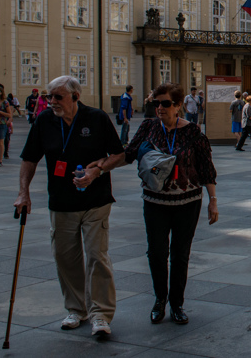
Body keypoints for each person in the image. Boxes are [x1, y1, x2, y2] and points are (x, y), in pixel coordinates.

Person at [90, 83, 218, 326]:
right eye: (156, 103)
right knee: (157, 252)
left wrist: (213, 201)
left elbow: (206, 169)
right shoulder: (148, 127)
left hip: (187, 202)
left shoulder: (193, 132)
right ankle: (160, 299)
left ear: (178, 105)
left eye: (166, 103)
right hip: (155, 201)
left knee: (180, 254)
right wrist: (99, 167)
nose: (160, 108)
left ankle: (177, 303)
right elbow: (128, 155)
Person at [14, 75, 125, 337]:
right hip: (61, 202)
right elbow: (30, 158)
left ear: (75, 96)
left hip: (95, 200)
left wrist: (97, 170)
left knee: (97, 257)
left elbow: (119, 155)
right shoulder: (45, 120)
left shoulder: (96, 118)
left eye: (57, 97)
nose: (51, 101)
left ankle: (100, 314)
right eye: (48, 96)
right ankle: (76, 309)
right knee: (65, 258)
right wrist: (23, 193)